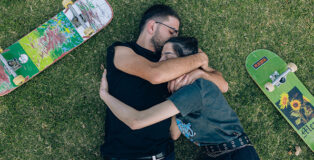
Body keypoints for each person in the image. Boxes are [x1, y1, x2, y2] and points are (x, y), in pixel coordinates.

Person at [100, 37, 260, 160]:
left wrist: (105, 96)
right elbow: (175, 134)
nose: (160, 62)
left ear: (185, 62)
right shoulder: (181, 93)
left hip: (235, 155)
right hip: (212, 154)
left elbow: (136, 121)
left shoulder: (196, 90)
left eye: (167, 57)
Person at [100, 4, 225, 160]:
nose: (174, 38)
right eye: (171, 32)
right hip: (124, 156)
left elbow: (222, 86)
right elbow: (155, 74)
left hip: (164, 155)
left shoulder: (175, 61)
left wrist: (200, 72)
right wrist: (200, 58)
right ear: (152, 26)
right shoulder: (122, 51)